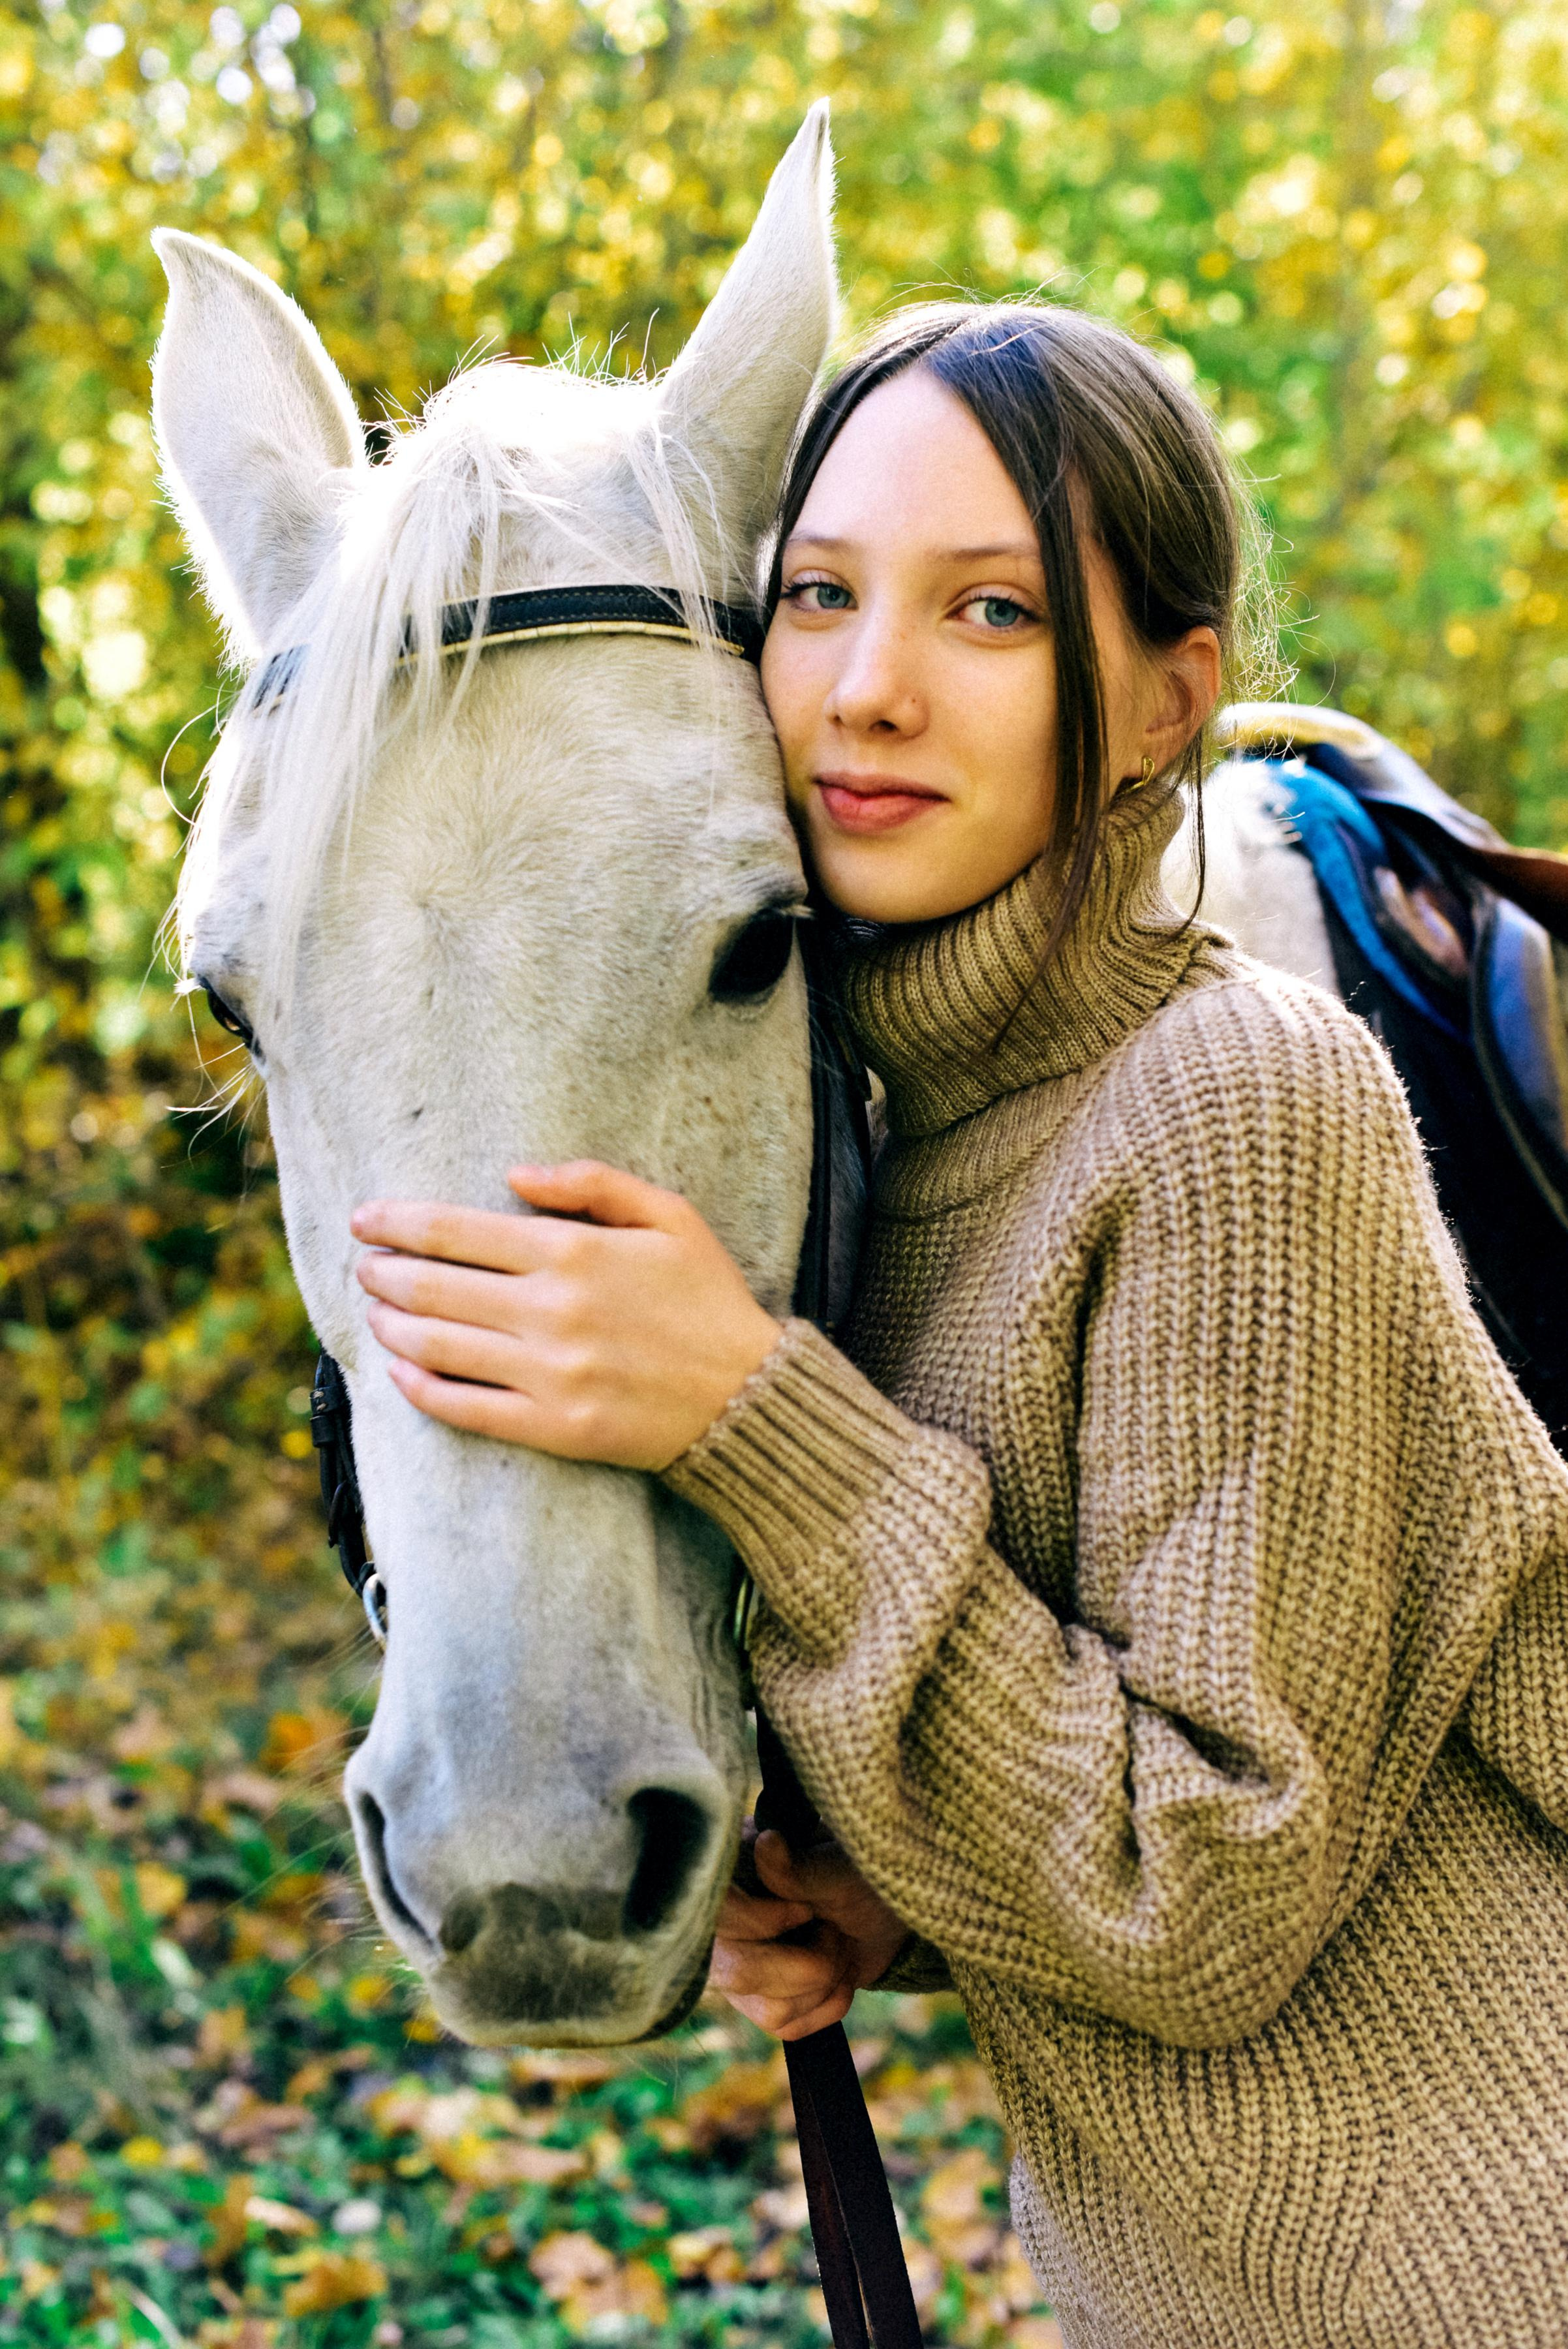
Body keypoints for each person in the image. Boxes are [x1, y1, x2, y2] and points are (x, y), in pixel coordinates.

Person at [347, 303, 1568, 2349]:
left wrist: (755, 1414)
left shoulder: (1236, 1097)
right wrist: (892, 1911)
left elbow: (1203, 1890)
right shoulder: (904, 1136)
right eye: (814, 595)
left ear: (1168, 702)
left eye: (988, 612)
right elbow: (1239, 1788)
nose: (868, 689)